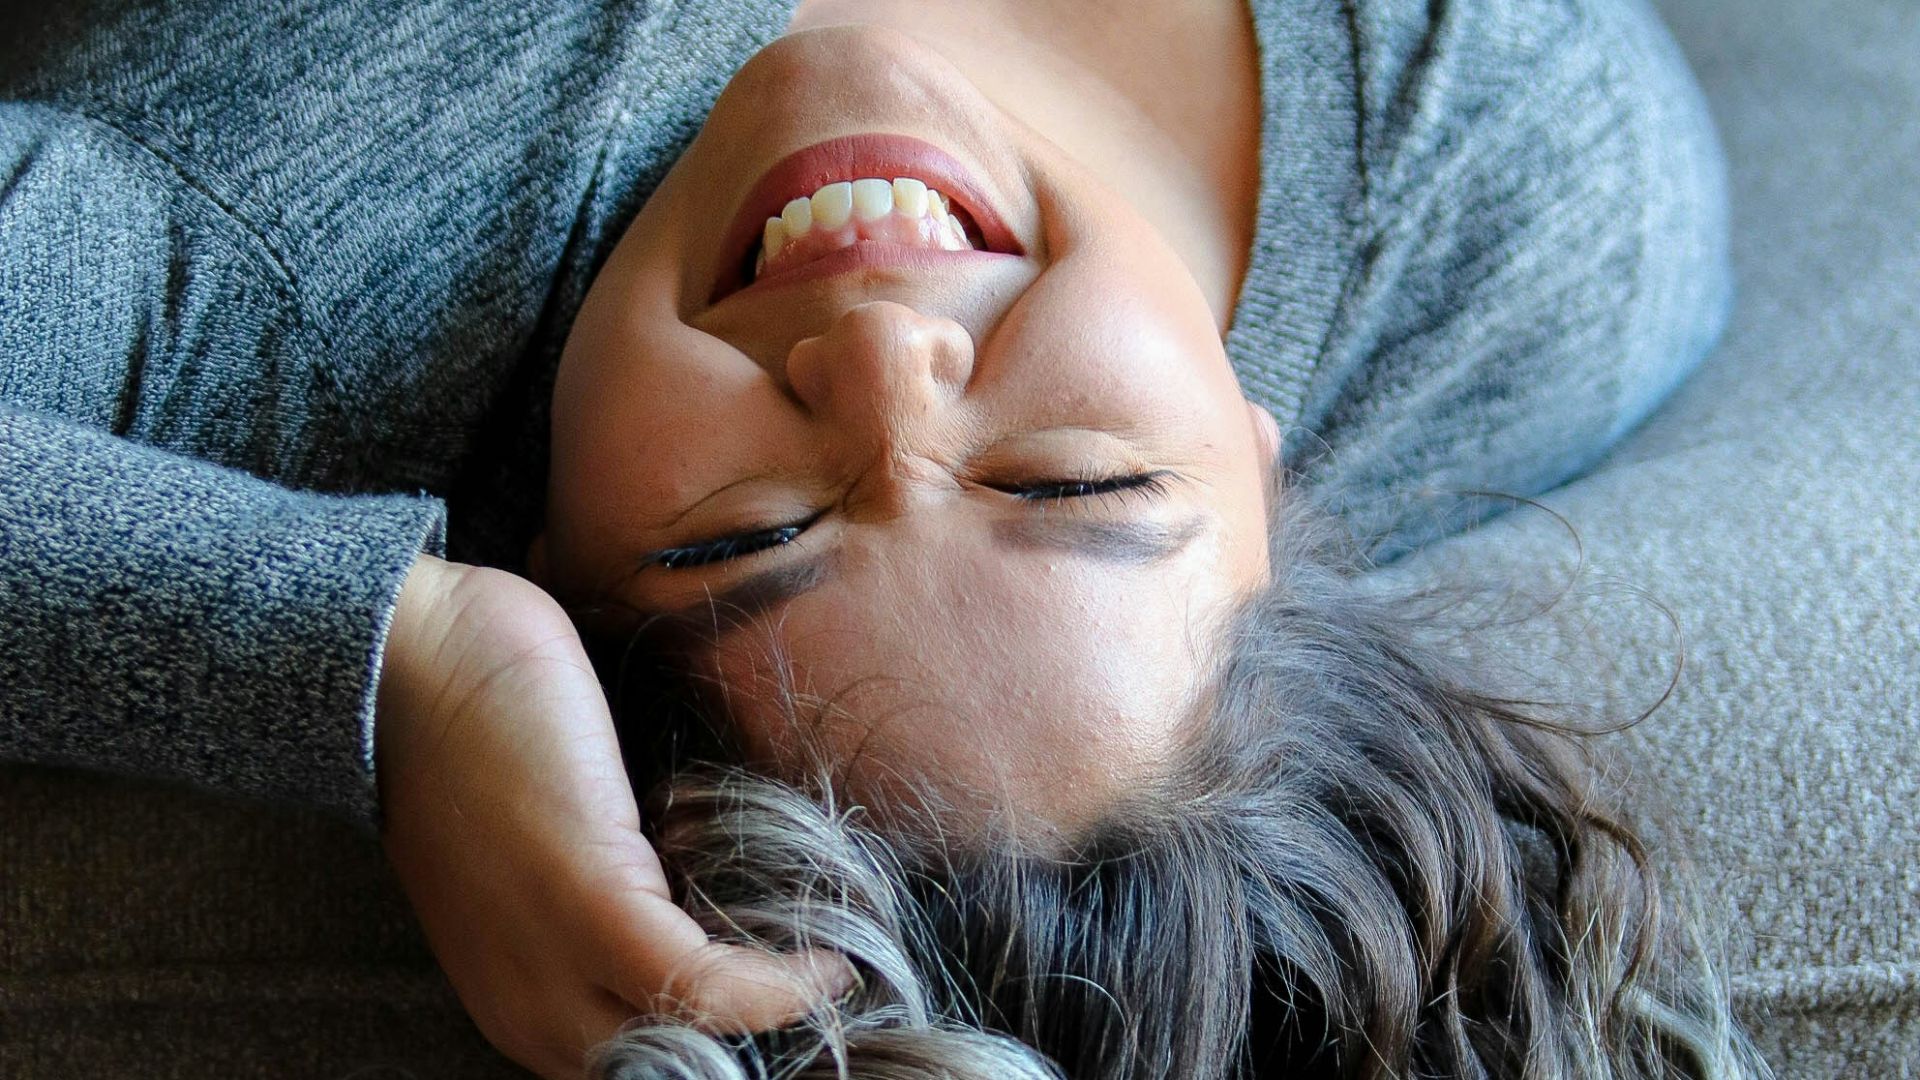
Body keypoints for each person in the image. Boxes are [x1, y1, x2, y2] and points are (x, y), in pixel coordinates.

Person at [0, 0, 1756, 1076]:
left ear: (544, 545)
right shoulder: (1534, 194)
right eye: (1076, 485)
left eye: (748, 532)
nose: (884, 364)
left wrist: (386, 663)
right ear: (1272, 466)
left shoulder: (293, 245)